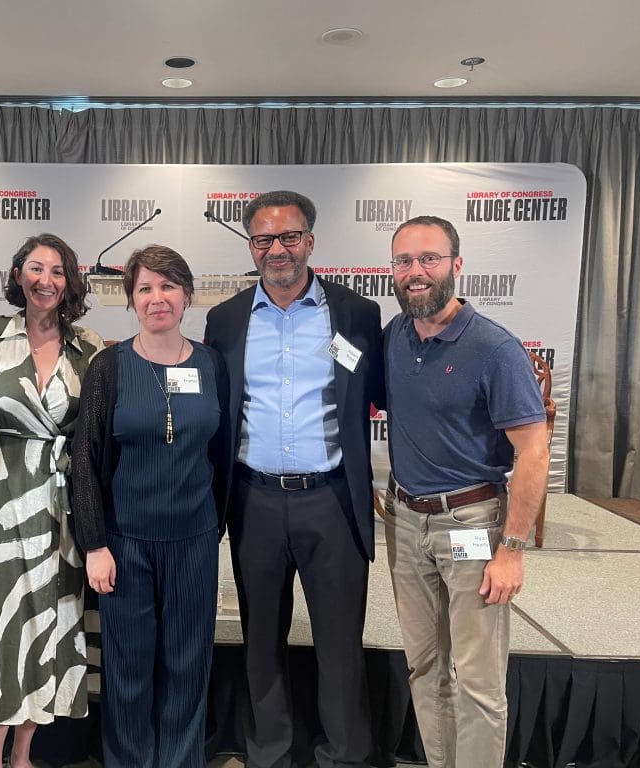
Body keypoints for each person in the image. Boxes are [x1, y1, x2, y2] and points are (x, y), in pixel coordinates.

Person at [204, 190, 384, 768]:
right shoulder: (225, 319)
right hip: (253, 500)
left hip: (331, 500)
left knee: (339, 645)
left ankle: (343, 756)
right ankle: (270, 754)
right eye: (263, 239)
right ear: (251, 246)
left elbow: (382, 394)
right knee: (261, 642)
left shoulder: (356, 313)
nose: (277, 250)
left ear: (310, 240)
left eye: (288, 237)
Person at [383, 215, 550, 767]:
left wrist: (513, 549)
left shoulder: (493, 348)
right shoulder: (394, 336)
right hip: (405, 522)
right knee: (425, 667)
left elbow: (533, 451)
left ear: (456, 265)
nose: (416, 272)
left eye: (428, 258)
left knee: (477, 678)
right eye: (404, 261)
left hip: (471, 525)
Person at [0, 233, 104, 768]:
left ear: (71, 282)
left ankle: (24, 755)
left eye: (58, 271)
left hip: (58, 509)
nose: (46, 280)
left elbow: (93, 438)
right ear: (17, 275)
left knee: (43, 627)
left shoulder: (91, 348)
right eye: (36, 268)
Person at [72, 245, 230, 768]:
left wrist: (213, 529)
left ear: (186, 295)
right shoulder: (108, 368)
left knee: (188, 664)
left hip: (193, 541)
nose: (156, 298)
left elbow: (223, 454)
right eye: (145, 288)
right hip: (124, 545)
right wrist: (95, 543)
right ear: (130, 299)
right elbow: (86, 463)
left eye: (167, 286)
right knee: (129, 667)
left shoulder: (212, 365)